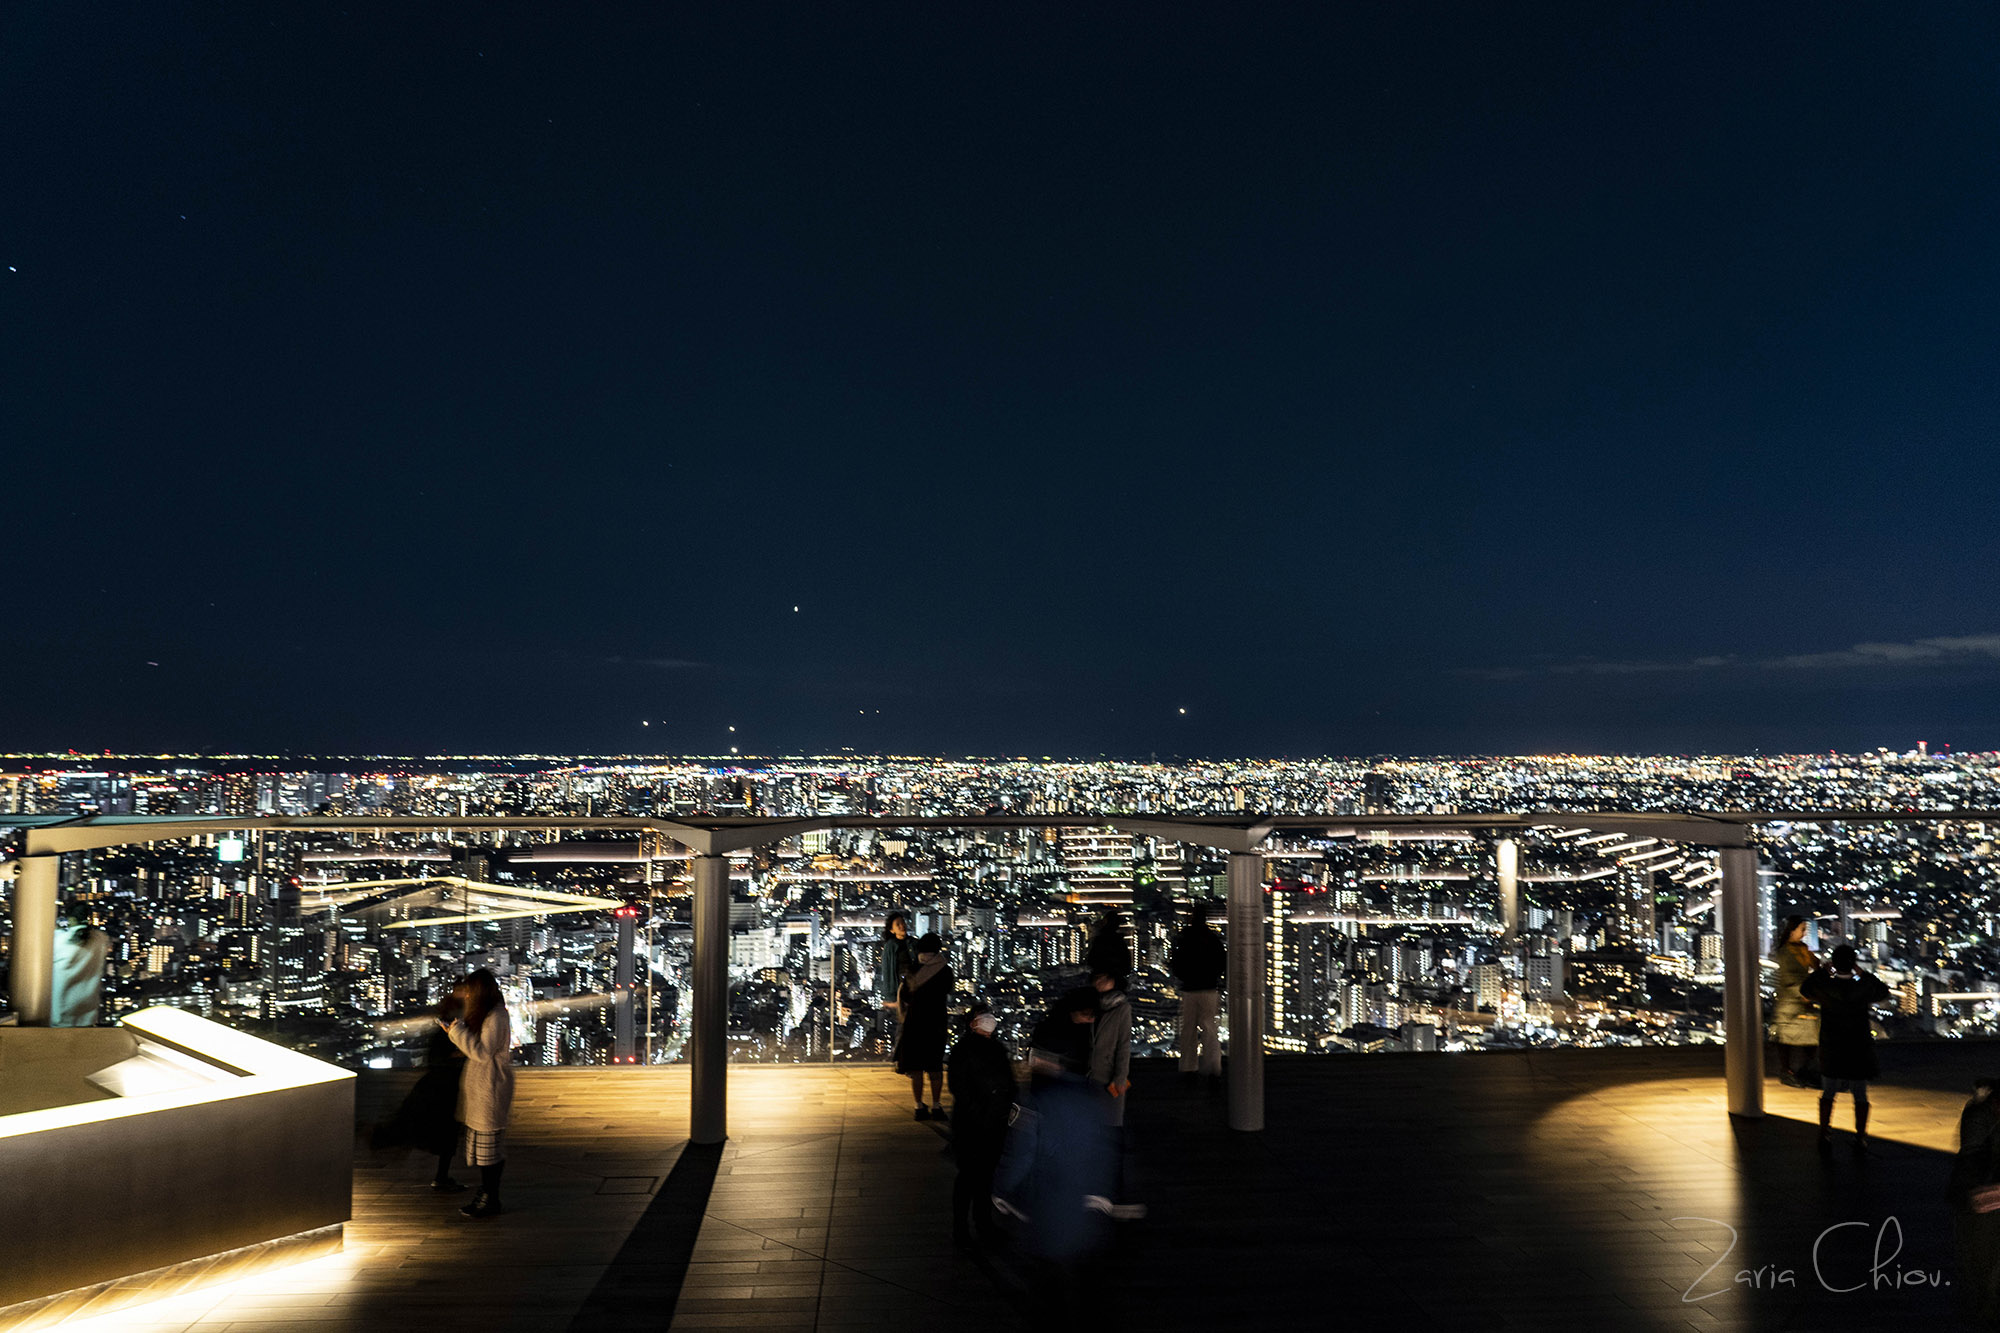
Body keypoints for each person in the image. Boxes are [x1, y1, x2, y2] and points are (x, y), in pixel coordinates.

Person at [373, 990, 470, 1192]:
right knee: (438, 1132)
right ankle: (441, 1177)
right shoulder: (448, 1032)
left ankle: (441, 1176)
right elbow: (436, 1060)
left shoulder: (447, 1030)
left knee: (427, 1130)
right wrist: (459, 1054)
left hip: (439, 1089)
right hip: (442, 1091)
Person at [1799, 944, 1890, 1156]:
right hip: (1858, 1045)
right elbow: (1883, 992)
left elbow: (1805, 989)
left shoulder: (1825, 986)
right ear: (1853, 963)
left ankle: (1824, 1132)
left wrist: (1824, 971)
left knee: (1828, 1090)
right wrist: (1862, 973)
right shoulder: (1862, 987)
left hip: (1833, 1044)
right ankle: (1861, 1136)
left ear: (1834, 962)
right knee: (1860, 1093)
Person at [443, 969, 515, 1217]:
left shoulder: (496, 1016)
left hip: (490, 1088)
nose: (468, 995)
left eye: (471, 990)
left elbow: (482, 1053)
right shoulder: (489, 1014)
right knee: (485, 1148)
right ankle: (487, 1194)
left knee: (488, 1150)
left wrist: (456, 1032)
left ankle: (490, 1197)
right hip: (483, 1088)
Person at [947, 1001, 1015, 1246]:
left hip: (991, 1121)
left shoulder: (995, 1048)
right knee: (969, 1177)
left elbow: (1008, 1083)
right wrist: (982, 1110)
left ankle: (982, 1224)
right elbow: (959, 1087)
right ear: (973, 1022)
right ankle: (963, 1227)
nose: (988, 1020)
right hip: (972, 1123)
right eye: (982, 1016)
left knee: (985, 1176)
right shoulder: (964, 1050)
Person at [1950, 1077, 2000, 1326]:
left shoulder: (1979, 1111)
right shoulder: (1982, 1114)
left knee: (1981, 1273)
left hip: (1981, 1202)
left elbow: (1970, 1157)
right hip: (1985, 1202)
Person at [894, 933, 952, 1120]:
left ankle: (919, 1106)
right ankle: (936, 1105)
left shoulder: (913, 970)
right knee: (935, 1067)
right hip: (936, 1022)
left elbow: (906, 996)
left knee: (916, 1067)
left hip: (915, 1023)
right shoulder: (945, 970)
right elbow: (947, 990)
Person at [1169, 909, 1225, 1085]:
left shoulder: (1185, 938)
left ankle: (1188, 1067)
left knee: (1188, 1030)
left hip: (1190, 988)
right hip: (1209, 988)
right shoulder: (1213, 939)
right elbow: (1222, 962)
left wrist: (1183, 976)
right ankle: (1214, 1068)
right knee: (1209, 1029)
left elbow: (1176, 961)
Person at [1769, 915, 1820, 1087]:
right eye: (1802, 929)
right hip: (1792, 1001)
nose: (1804, 933)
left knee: (1807, 1038)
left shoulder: (1802, 949)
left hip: (1800, 999)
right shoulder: (1786, 952)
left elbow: (1815, 965)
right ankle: (1791, 1070)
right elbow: (1789, 977)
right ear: (1793, 930)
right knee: (1790, 1039)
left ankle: (1803, 1069)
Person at [51, 923, 109, 1028]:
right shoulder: (100, 939)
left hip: (61, 1013)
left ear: (70, 919)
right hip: (88, 1014)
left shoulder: (59, 939)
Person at [1085, 910, 1132, 988]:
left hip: (1102, 980)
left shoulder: (1100, 940)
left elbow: (1091, 961)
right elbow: (1126, 966)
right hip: (1115, 981)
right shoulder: (1120, 942)